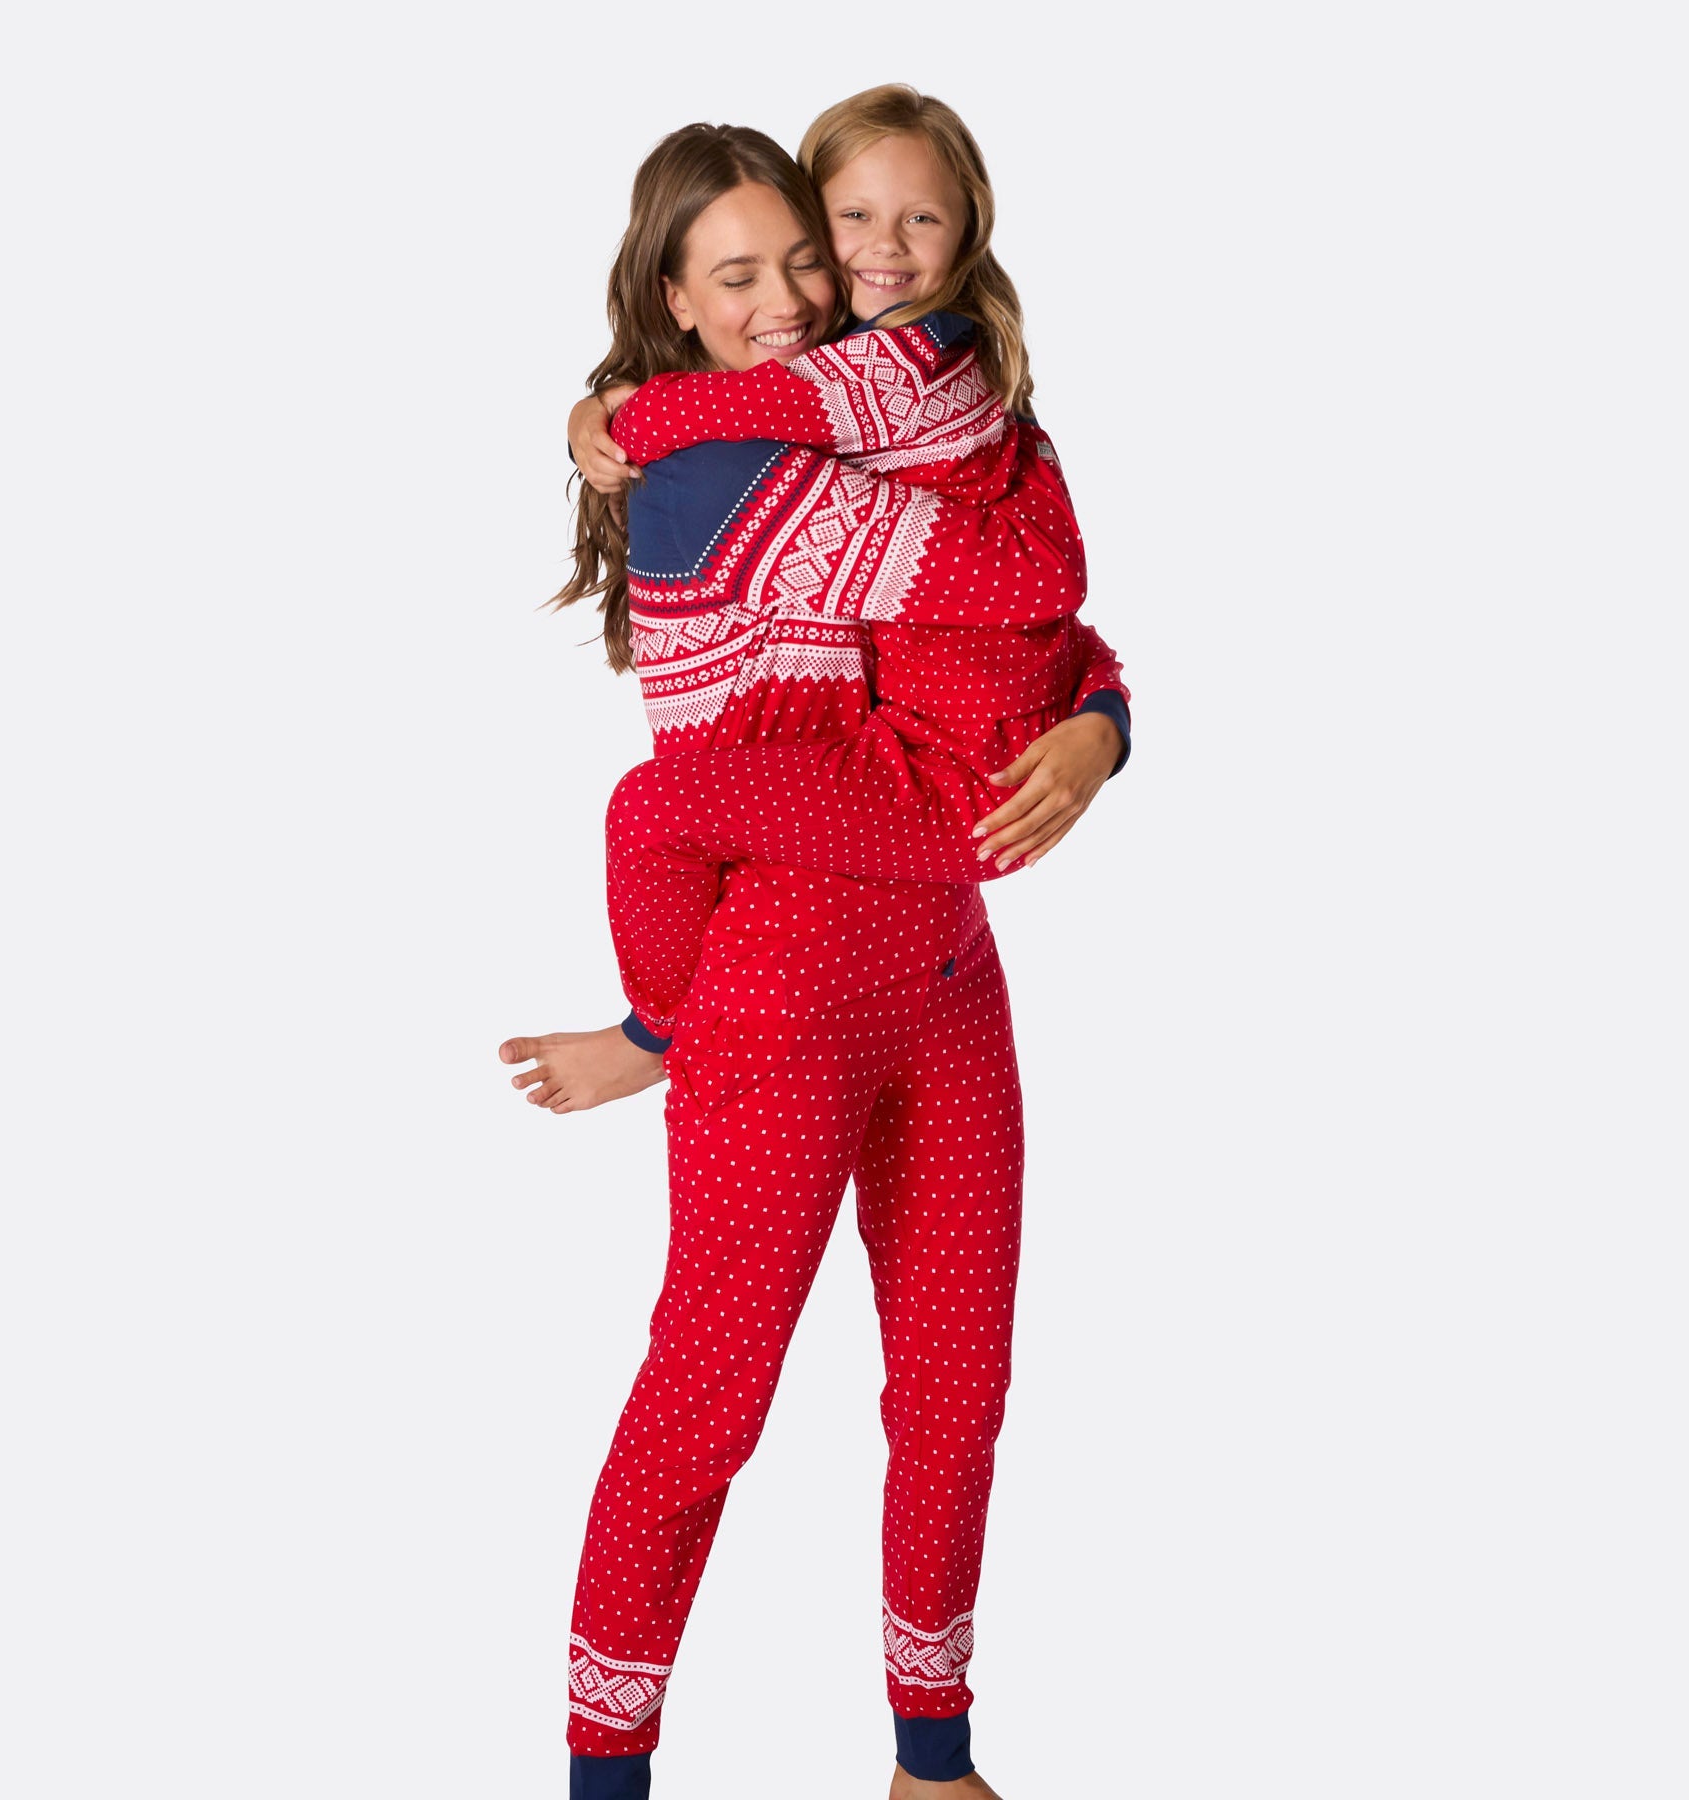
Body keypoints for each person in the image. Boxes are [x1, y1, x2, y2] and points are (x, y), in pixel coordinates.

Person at [501, 94, 1128, 1800]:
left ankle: (935, 1759)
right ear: (673, 301)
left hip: (950, 980)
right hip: (783, 996)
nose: (794, 296)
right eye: (741, 277)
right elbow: (1020, 579)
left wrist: (1101, 723)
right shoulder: (721, 470)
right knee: (706, 1408)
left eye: (806, 257)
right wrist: (667, 1028)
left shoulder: (875, 415)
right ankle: (606, 1779)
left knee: (956, 1392)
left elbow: (1020, 643)